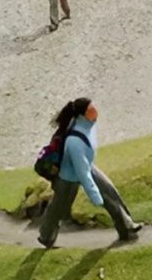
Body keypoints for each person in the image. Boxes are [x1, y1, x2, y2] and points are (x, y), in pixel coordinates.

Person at [37, 98, 142, 248]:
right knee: (59, 208)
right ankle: (46, 236)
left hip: (85, 165)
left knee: (109, 192)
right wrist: (94, 195)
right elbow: (81, 171)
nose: (95, 111)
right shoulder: (73, 138)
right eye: (91, 110)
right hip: (69, 175)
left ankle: (127, 227)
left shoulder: (85, 125)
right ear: (82, 115)